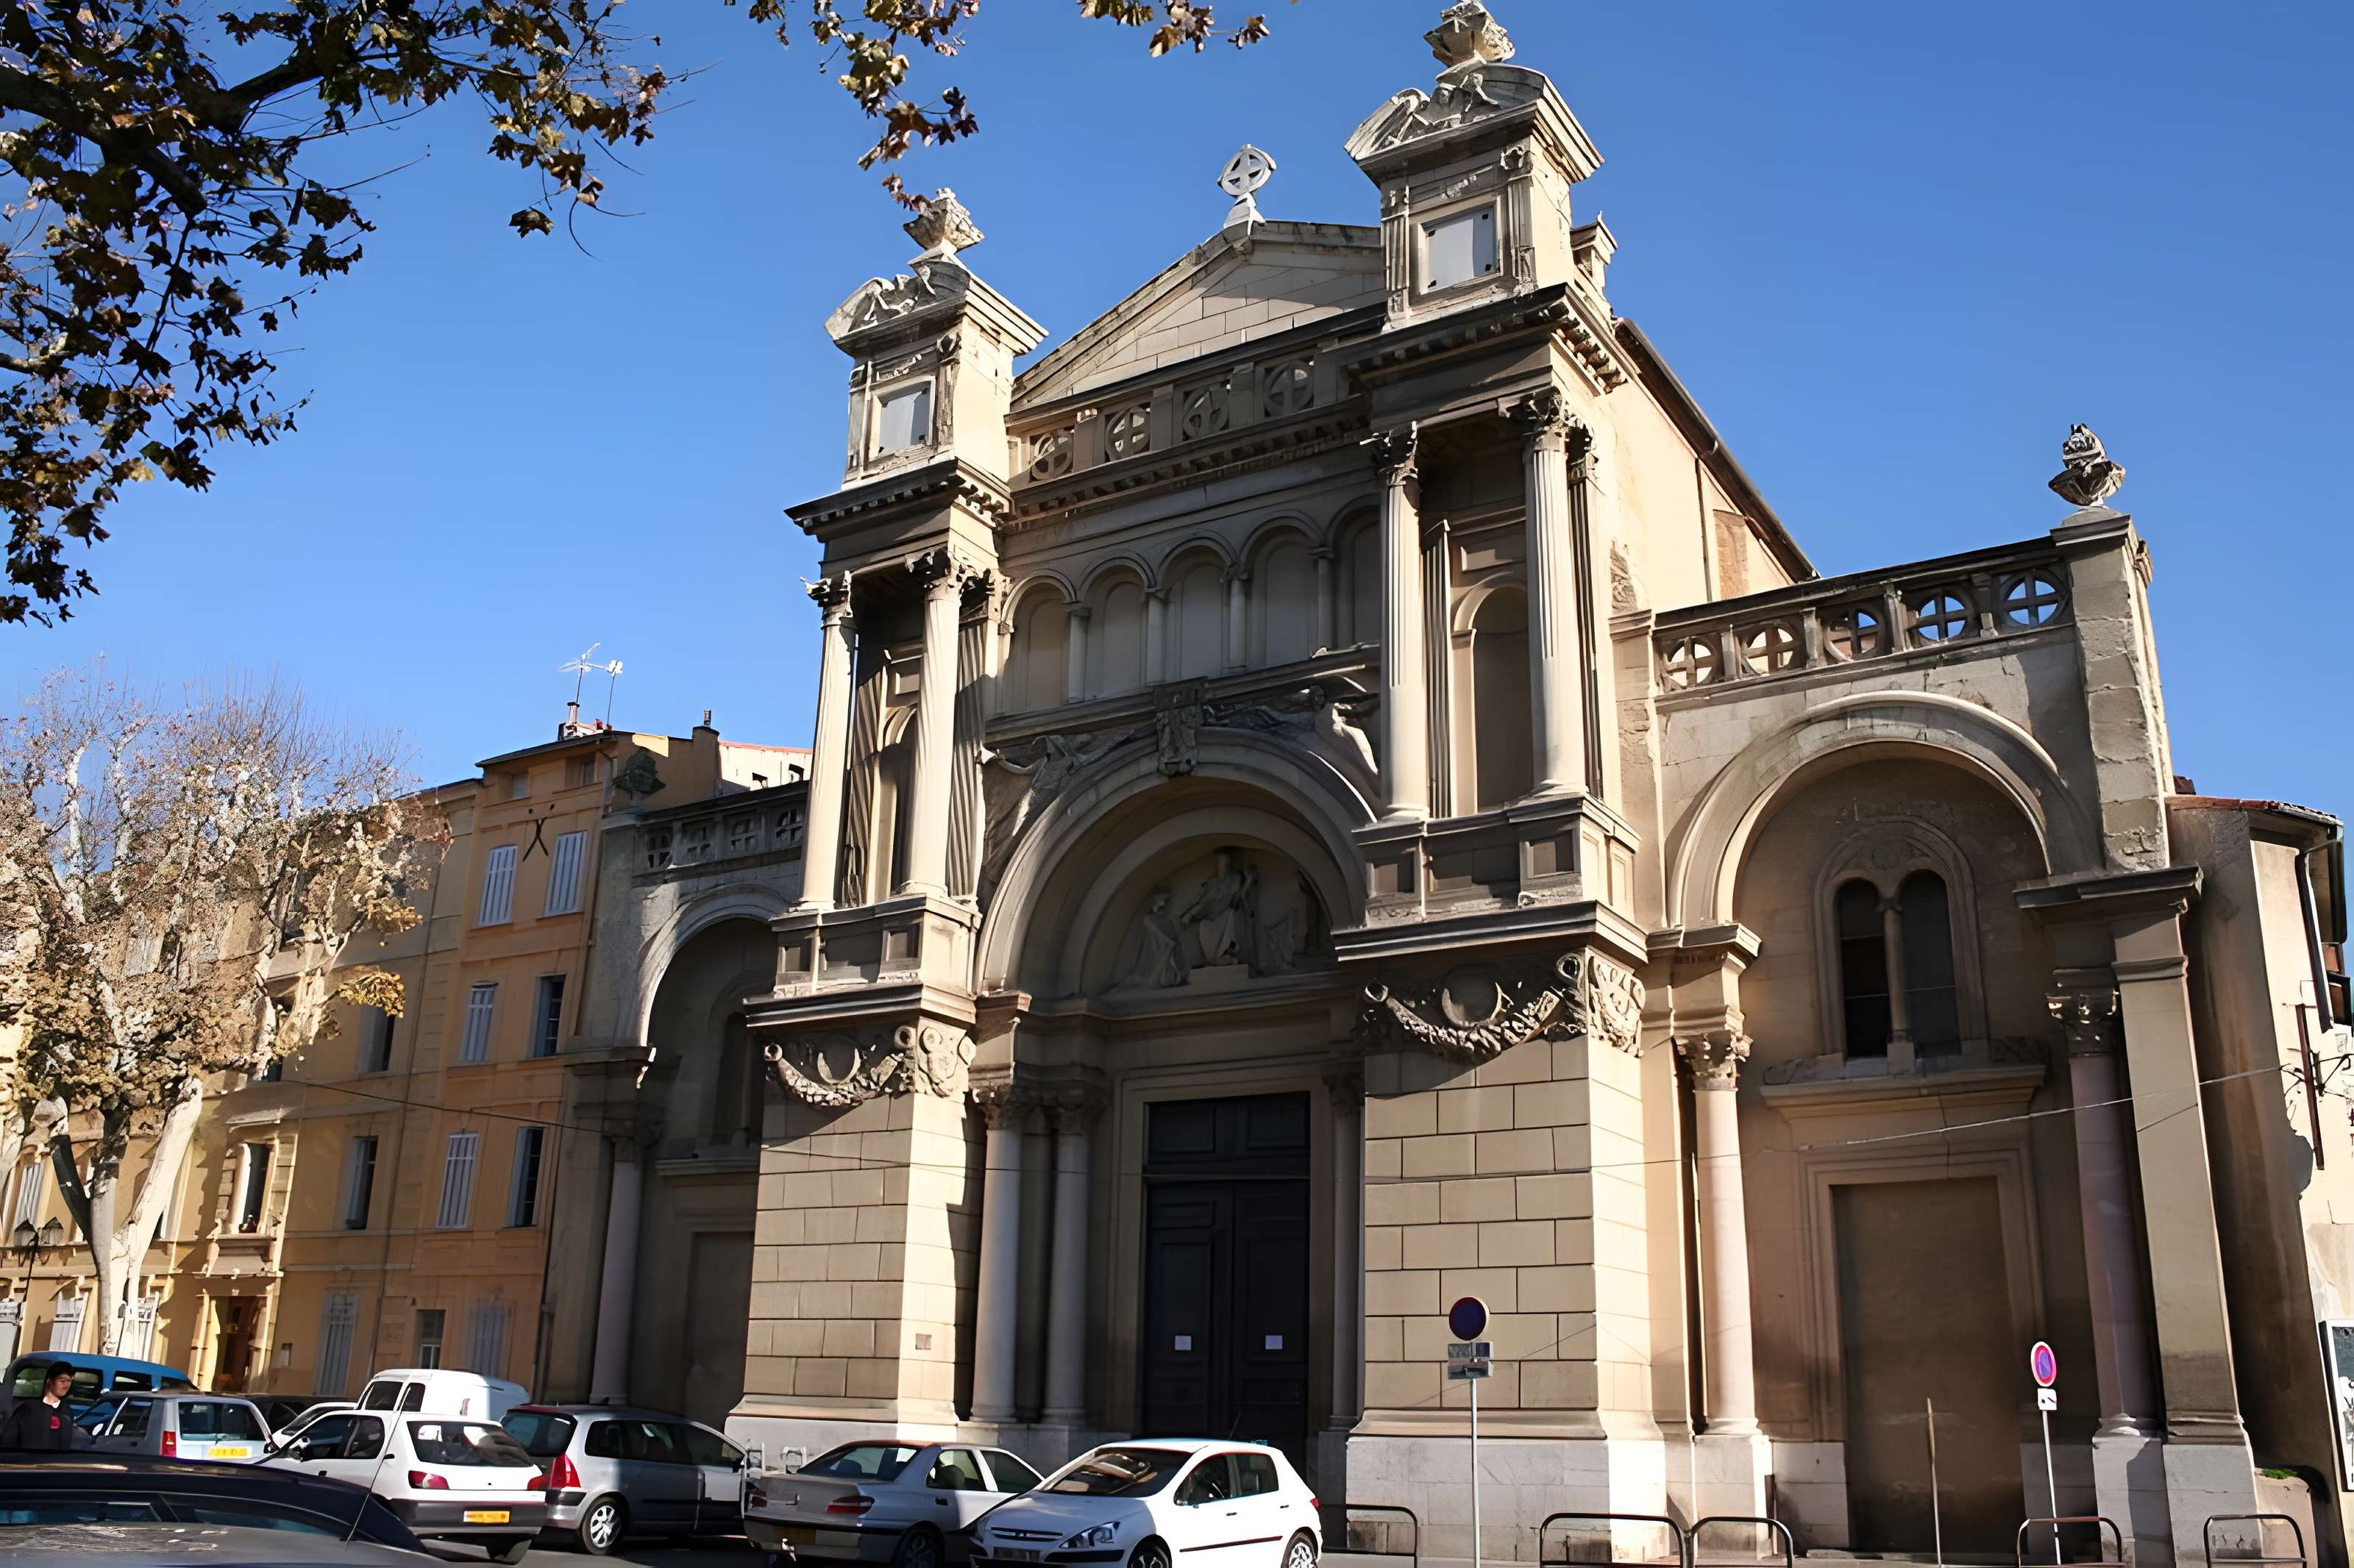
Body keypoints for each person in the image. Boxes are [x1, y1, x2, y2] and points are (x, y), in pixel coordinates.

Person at [0, 1362, 77, 1450]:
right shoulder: (27, 1410)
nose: (66, 1385)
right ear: (50, 1381)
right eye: (62, 1381)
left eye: (69, 1381)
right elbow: (8, 1442)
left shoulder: (67, 1413)